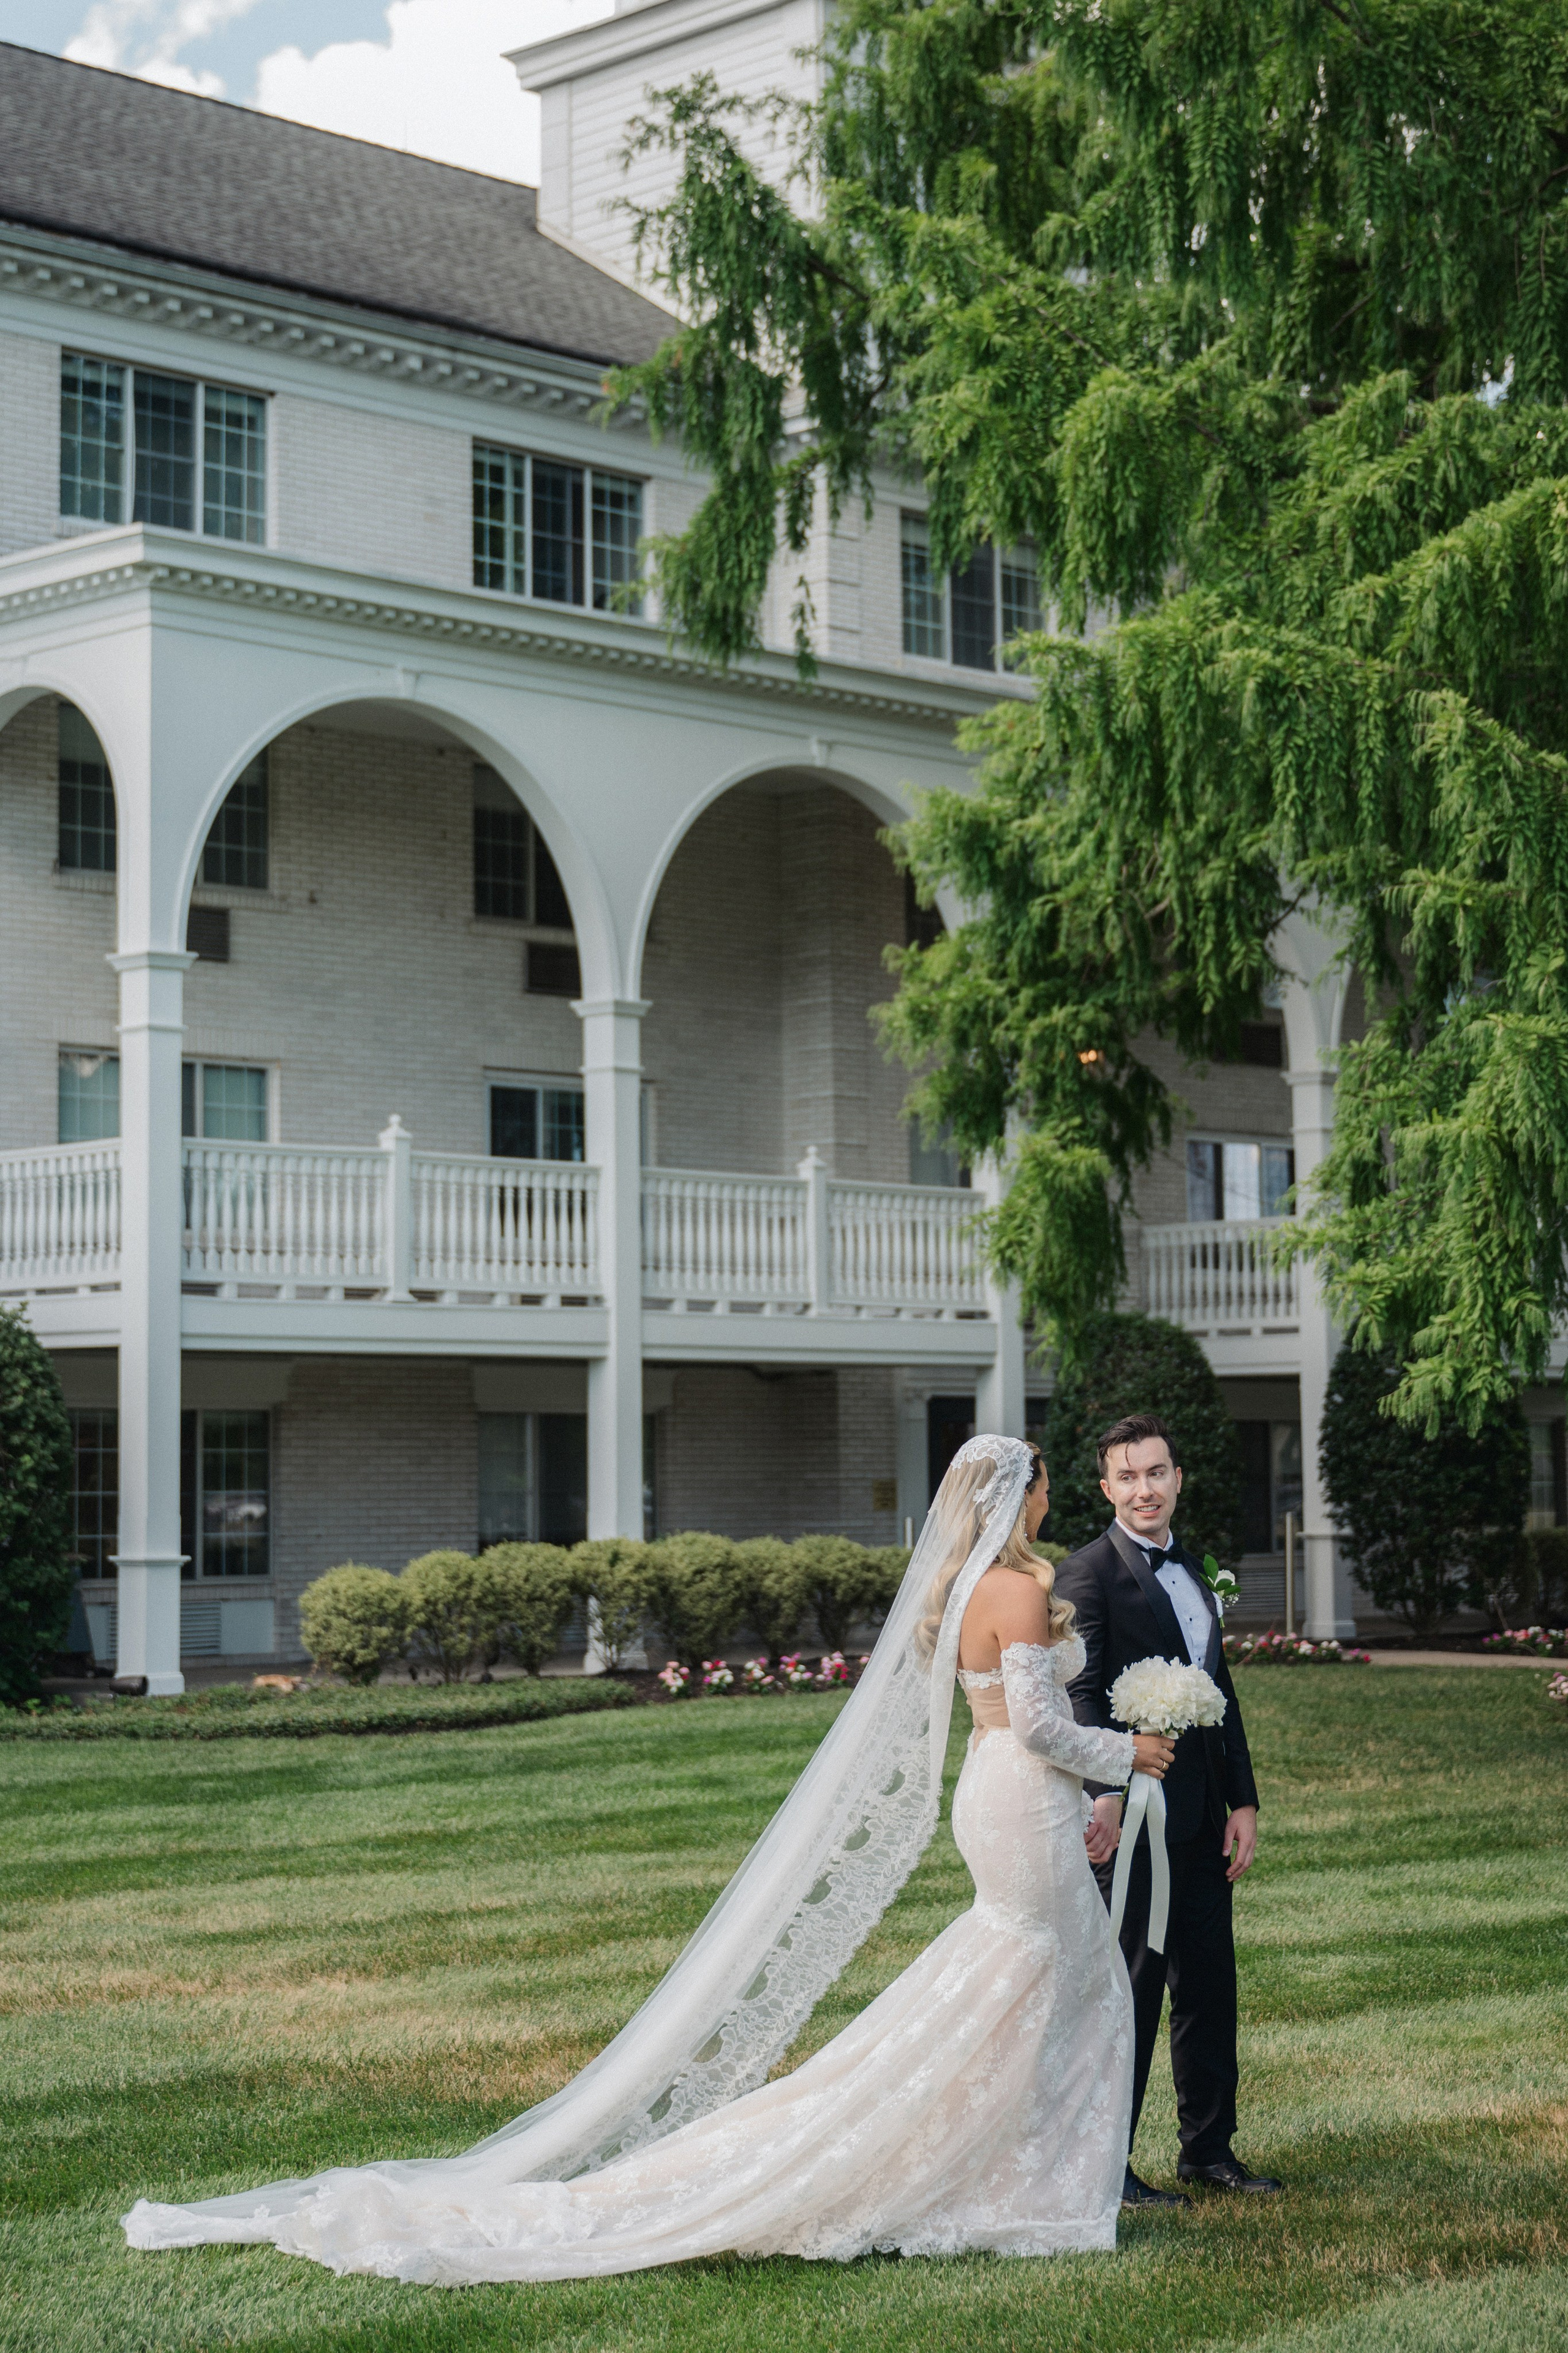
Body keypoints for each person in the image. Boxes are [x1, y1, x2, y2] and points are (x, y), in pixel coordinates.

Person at [124, 1437, 1175, 2284]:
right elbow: (1037, 1722)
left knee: (1039, 1980)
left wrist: (1098, 1776)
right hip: (1018, 1794)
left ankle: (1021, 2170)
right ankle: (1002, 2177)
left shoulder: (973, 1586)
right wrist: (1127, 1752)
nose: (1046, 1501)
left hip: (1001, 1799)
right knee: (1041, 1976)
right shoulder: (1019, 1592)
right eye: (1040, 1484)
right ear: (1022, 1496)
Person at [1055, 1413, 1281, 2207]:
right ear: (1107, 1486)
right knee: (1131, 1991)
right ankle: (1104, 2167)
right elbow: (1080, 1695)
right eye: (1128, 1475)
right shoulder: (1086, 1574)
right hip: (1135, 1817)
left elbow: (1220, 1693)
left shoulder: (1199, 1571)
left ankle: (1209, 2151)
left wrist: (1243, 1796)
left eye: (1156, 1471)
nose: (1144, 1488)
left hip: (1202, 1812)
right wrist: (1104, 1793)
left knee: (1211, 1986)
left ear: (1177, 1477)